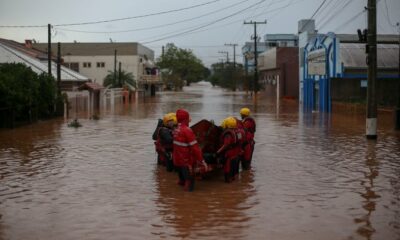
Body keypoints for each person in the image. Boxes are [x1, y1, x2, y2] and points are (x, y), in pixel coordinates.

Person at [172, 109, 205, 191]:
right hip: (186, 162)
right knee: (189, 184)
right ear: (186, 119)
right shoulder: (187, 130)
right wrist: (201, 161)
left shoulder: (176, 129)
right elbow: (195, 148)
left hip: (177, 161)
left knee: (181, 181)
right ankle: (186, 201)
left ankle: (176, 199)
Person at [217, 117, 243, 183]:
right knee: (234, 173)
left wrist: (218, 152)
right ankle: (234, 186)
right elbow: (240, 141)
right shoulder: (238, 131)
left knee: (228, 173)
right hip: (236, 154)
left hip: (229, 155)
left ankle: (229, 188)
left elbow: (226, 144)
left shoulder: (228, 134)